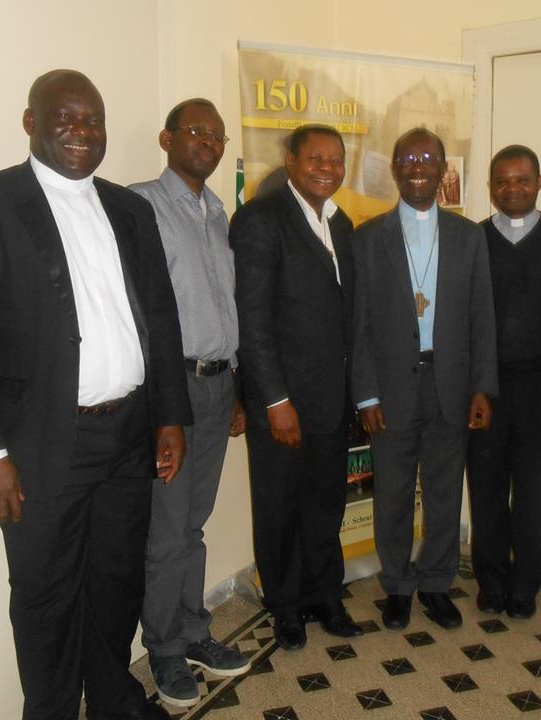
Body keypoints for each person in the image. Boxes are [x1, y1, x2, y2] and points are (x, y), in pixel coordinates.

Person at [0, 69, 190, 720]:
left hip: (128, 434)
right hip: (41, 443)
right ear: (31, 123)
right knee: (45, 596)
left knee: (117, 582)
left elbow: (159, 316)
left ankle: (114, 701)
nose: (82, 131)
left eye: (93, 120)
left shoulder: (130, 210)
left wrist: (169, 415)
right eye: (65, 118)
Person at [351, 128, 498, 631]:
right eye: (408, 158)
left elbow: (482, 318)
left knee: (444, 491)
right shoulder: (368, 238)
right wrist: (366, 394)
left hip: (450, 384)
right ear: (395, 168)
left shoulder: (469, 236)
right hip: (390, 388)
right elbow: (359, 325)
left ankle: (436, 583)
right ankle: (397, 585)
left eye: (428, 158)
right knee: (392, 493)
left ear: (443, 170)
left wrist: (482, 388)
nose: (418, 166)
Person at [128, 99, 249, 707]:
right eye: (196, 131)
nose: (208, 142)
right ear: (166, 138)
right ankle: (165, 649)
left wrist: (237, 387)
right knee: (167, 529)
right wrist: (161, 407)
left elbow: (226, 305)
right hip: (171, 389)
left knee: (193, 524)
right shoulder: (141, 205)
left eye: (217, 135)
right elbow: (141, 312)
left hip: (218, 382)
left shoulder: (218, 211)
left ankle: (194, 631)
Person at [230, 124, 363, 650]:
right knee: (279, 507)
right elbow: (253, 320)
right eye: (316, 158)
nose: (327, 168)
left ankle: (324, 594)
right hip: (282, 402)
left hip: (331, 398)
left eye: (336, 159)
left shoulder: (342, 223)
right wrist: (275, 400)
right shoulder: (260, 220)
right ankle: (285, 605)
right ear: (291, 160)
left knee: (325, 504)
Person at [466, 145, 541, 620]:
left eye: (522, 179)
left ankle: (526, 582)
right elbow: (465, 322)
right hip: (487, 390)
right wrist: (475, 387)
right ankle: (492, 580)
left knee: (534, 492)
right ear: (491, 187)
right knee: (486, 489)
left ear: (539, 182)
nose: (512, 188)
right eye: (502, 181)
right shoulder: (474, 240)